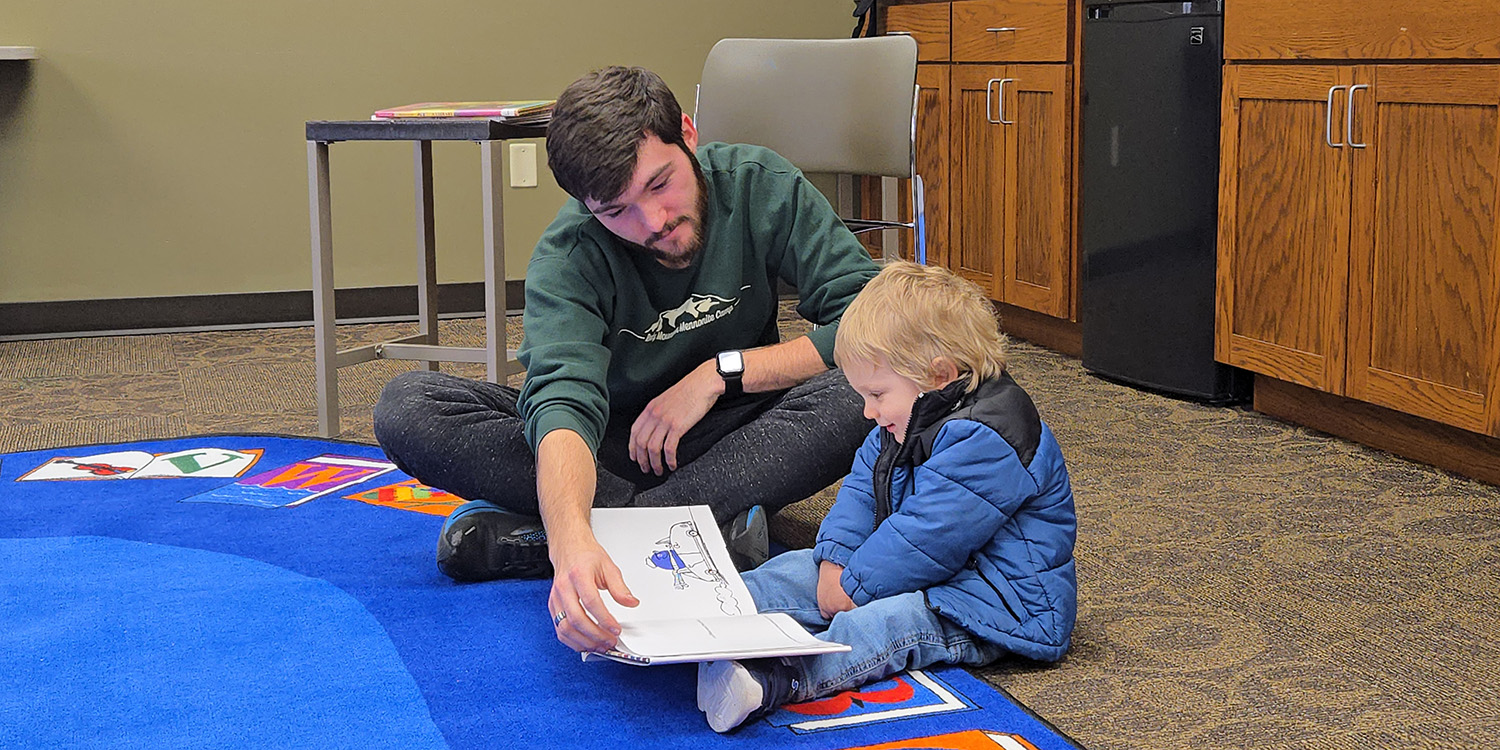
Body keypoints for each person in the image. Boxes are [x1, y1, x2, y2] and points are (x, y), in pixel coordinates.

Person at [371, 66, 879, 651]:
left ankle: (597, 533)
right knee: (409, 405)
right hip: (610, 450)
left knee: (862, 391)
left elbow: (873, 323)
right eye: (617, 211)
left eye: (660, 184)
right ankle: (695, 531)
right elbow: (563, 407)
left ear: (688, 134)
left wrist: (722, 373)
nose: (652, 223)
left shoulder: (760, 184)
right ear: (588, 208)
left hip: (737, 432)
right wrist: (569, 551)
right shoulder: (569, 256)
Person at [694, 261, 1078, 733]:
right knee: (797, 569)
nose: (867, 410)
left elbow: (925, 539)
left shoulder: (991, 435)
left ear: (938, 375)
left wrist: (851, 591)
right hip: (926, 569)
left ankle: (775, 680)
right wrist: (834, 563)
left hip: (994, 604)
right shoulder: (905, 415)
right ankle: (703, 610)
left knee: (884, 624)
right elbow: (859, 492)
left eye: (876, 393)